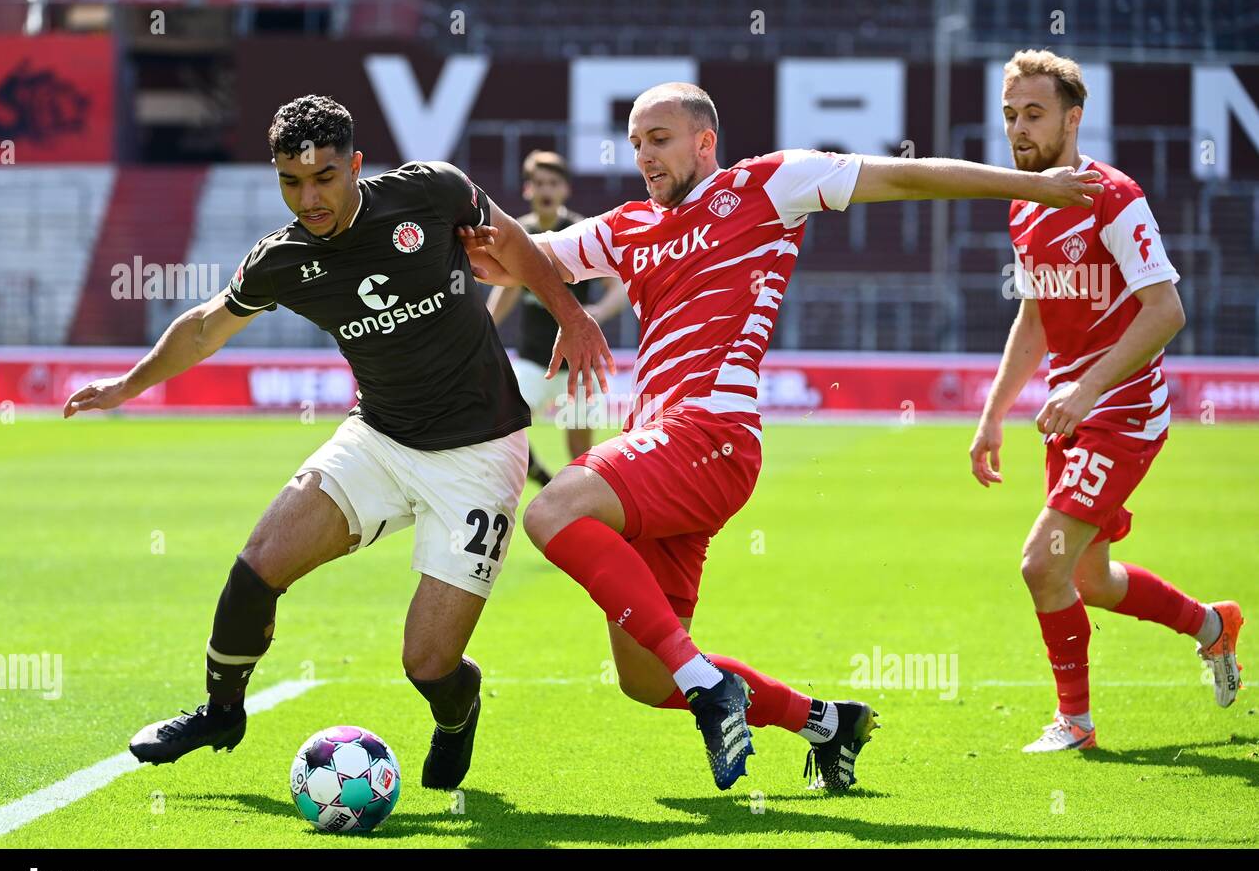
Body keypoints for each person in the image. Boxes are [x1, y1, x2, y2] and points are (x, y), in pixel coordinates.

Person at [459, 81, 1104, 790]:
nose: (644, 154)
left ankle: (708, 683)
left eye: (660, 138)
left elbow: (906, 174)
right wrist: (433, 224)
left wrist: (1032, 186)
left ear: (704, 141)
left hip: (711, 435)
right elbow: (510, 255)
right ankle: (829, 723)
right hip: (661, 456)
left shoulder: (770, 184)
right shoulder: (625, 227)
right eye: (638, 141)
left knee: (552, 509)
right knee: (645, 678)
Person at [62, 95, 612, 803]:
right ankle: (220, 714)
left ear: (355, 165)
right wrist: (127, 384)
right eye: (291, 182)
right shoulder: (282, 259)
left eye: (324, 177)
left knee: (428, 662)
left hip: (481, 453)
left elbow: (511, 241)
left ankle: (460, 708)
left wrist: (572, 313)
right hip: (378, 438)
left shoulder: (430, 191)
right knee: (258, 565)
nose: (309, 197)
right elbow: (205, 327)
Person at [969, 50, 1243, 752]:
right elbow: (1035, 315)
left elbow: (1166, 309)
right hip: (1072, 415)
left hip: (1121, 416)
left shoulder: (1111, 196)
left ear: (1073, 118)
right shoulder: (1024, 204)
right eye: (1010, 115)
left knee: (1041, 565)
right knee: (1088, 577)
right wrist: (994, 410)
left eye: (1034, 114)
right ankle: (1212, 625)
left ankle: (1077, 724)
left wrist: (1088, 388)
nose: (1020, 129)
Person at [487, 150, 628, 484]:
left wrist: (598, 311)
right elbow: (508, 288)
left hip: (579, 364)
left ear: (565, 190)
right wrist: (485, 325)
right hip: (534, 361)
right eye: (538, 183)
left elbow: (619, 286)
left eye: (553, 183)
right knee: (500, 419)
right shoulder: (518, 233)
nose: (545, 190)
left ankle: (580, 500)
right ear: (528, 191)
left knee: (579, 446)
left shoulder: (579, 232)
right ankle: (539, 476)